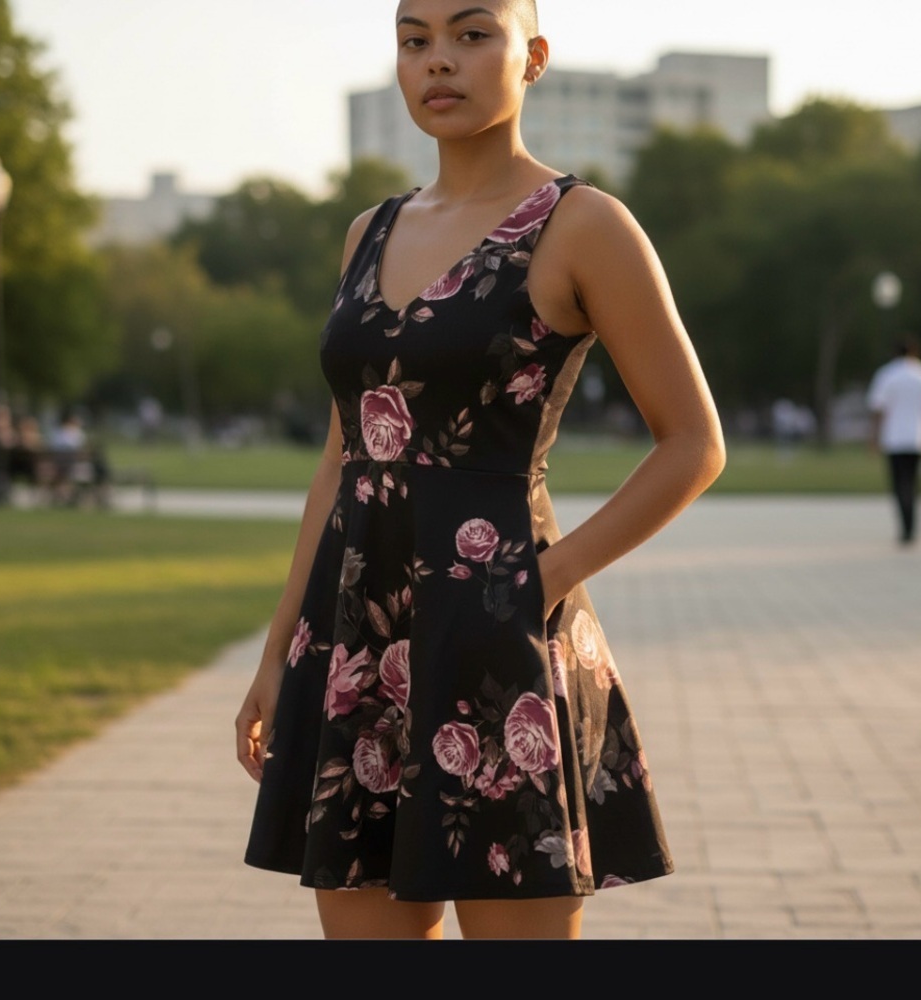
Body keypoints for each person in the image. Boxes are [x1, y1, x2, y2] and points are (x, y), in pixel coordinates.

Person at [235, 0, 726, 940]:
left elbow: (694, 443)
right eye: (414, 40)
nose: (438, 62)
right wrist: (277, 652)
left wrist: (543, 580)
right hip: (358, 648)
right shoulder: (367, 232)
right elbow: (344, 456)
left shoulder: (583, 224)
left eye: (472, 34)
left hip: (501, 634)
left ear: (533, 56)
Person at [866, 334, 921, 545]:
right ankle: (912, 527)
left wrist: (874, 438)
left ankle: (905, 528)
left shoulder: (886, 374)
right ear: (915, 351)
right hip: (919, 437)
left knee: (899, 483)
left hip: (894, 438)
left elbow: (878, 410)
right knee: (913, 483)